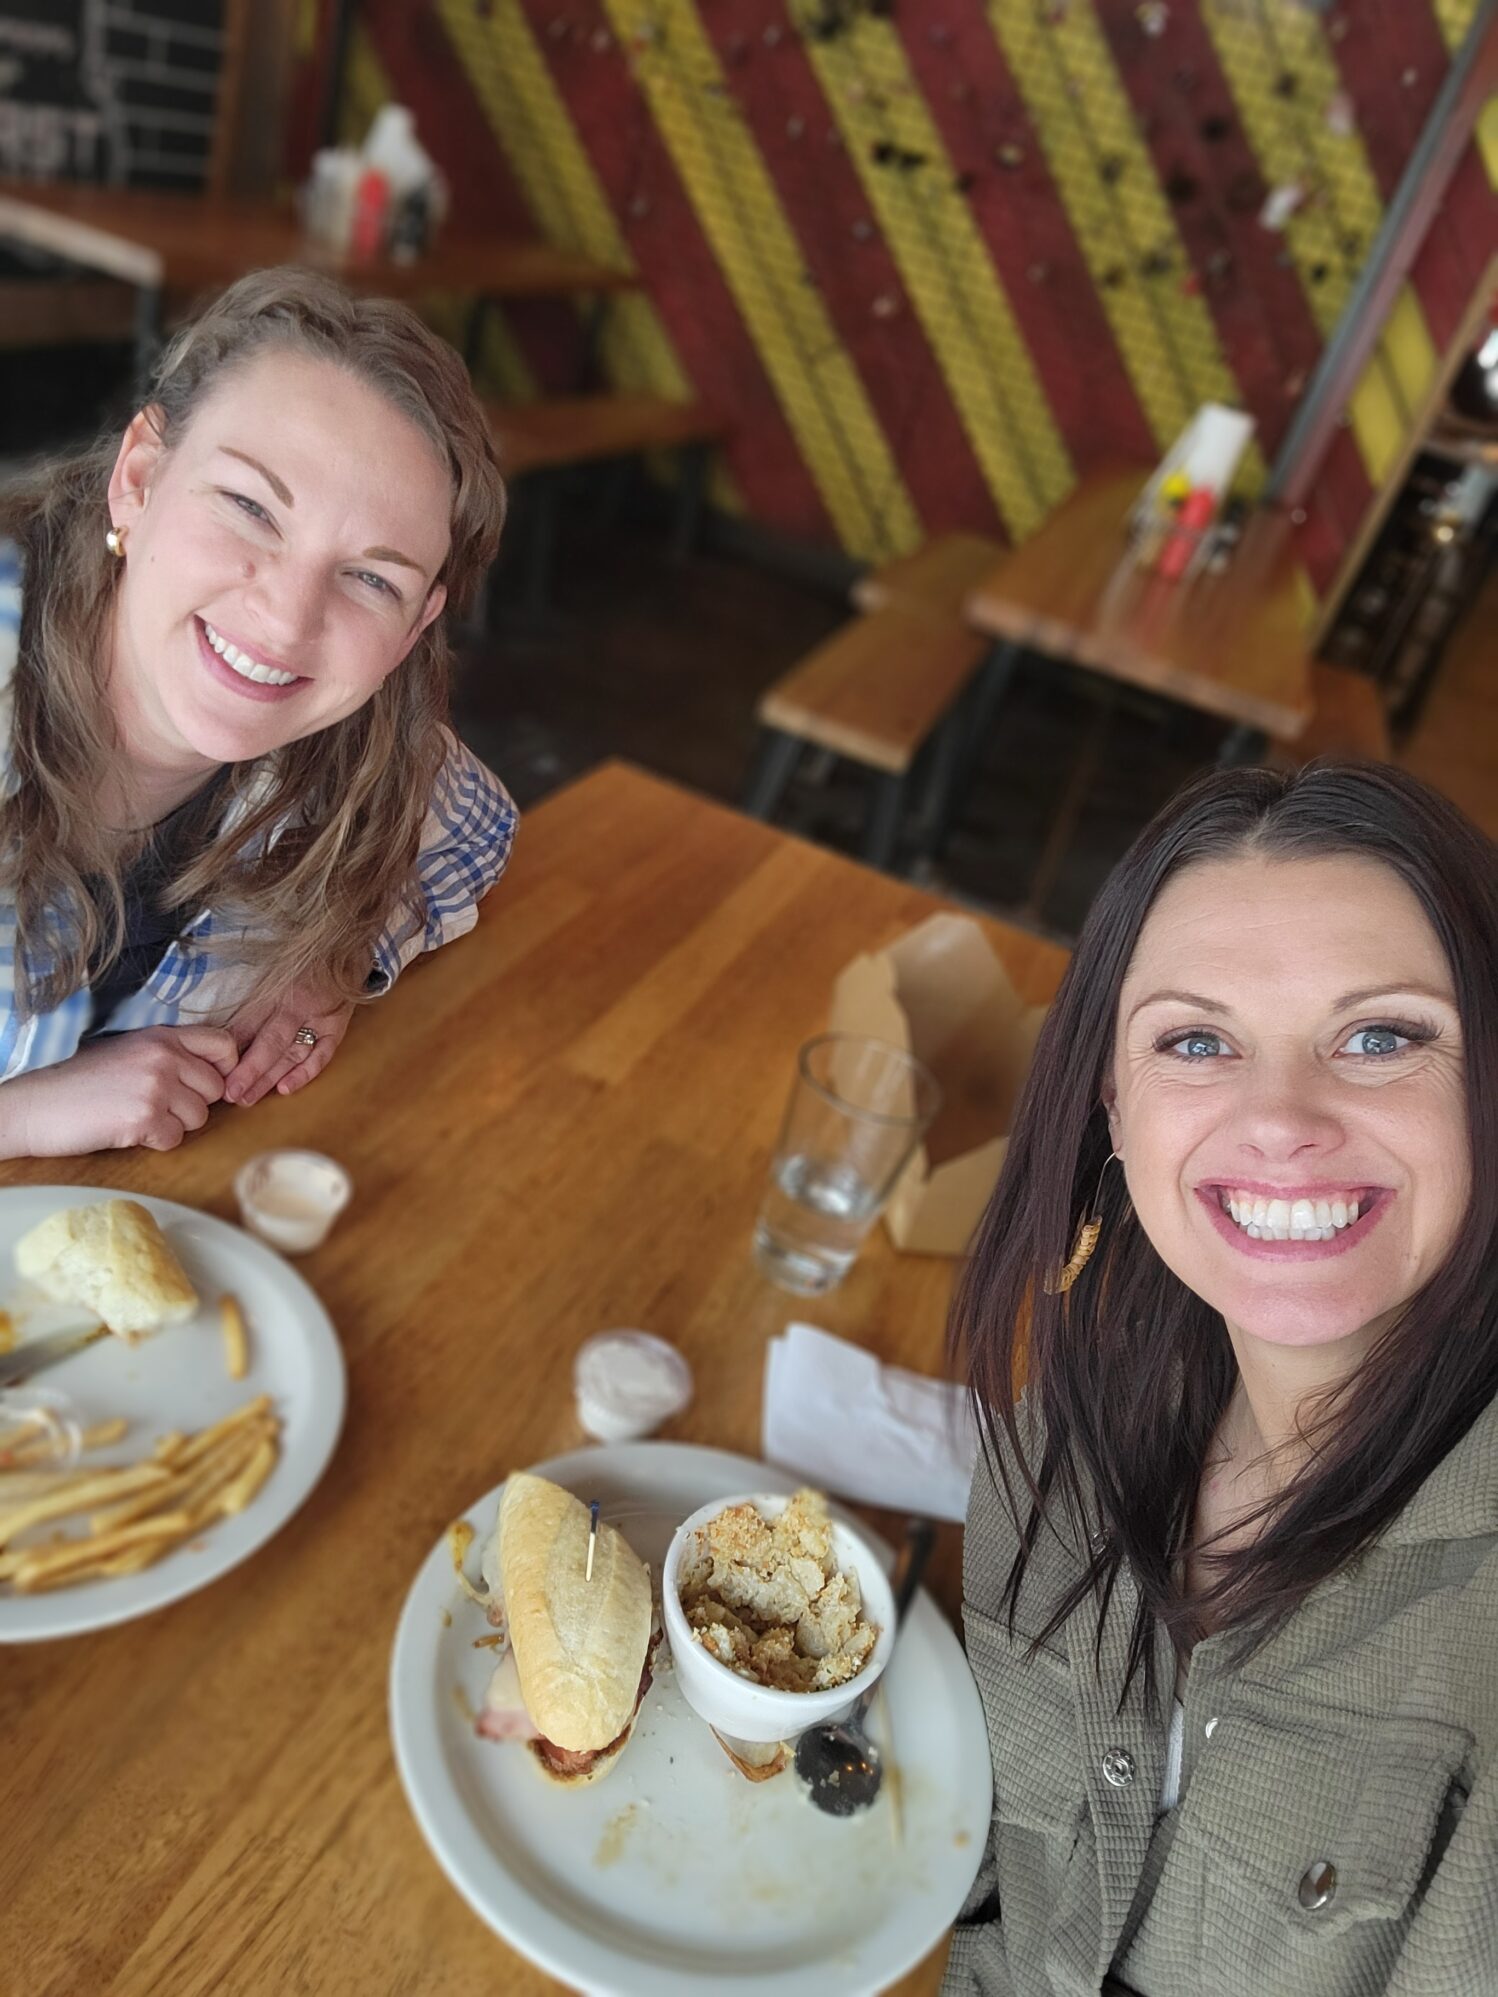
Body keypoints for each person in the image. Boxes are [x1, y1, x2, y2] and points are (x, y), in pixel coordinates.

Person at [944, 760, 1497, 1996]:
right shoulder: (1058, 1442)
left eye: (1381, 1036)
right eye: (1197, 1039)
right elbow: (991, 1902)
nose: (1281, 1117)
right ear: (1113, 1107)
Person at [0, 267, 515, 1157]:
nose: (287, 618)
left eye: (370, 578)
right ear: (140, 477)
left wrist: (334, 953)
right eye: (248, 507)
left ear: (414, 626)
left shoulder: (348, 746)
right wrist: (31, 1114)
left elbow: (477, 830)